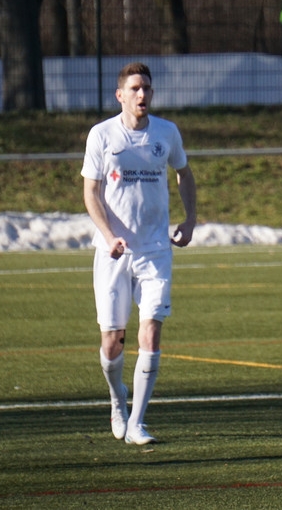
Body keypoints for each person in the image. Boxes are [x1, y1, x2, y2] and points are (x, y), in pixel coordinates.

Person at [82, 62, 197, 445]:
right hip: (113, 253)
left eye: (146, 88)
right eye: (134, 88)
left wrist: (191, 218)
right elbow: (90, 193)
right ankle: (118, 402)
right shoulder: (101, 135)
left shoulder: (167, 133)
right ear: (120, 95)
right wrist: (108, 234)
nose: (142, 95)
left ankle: (138, 423)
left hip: (156, 251)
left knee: (151, 333)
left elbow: (184, 172)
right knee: (112, 342)